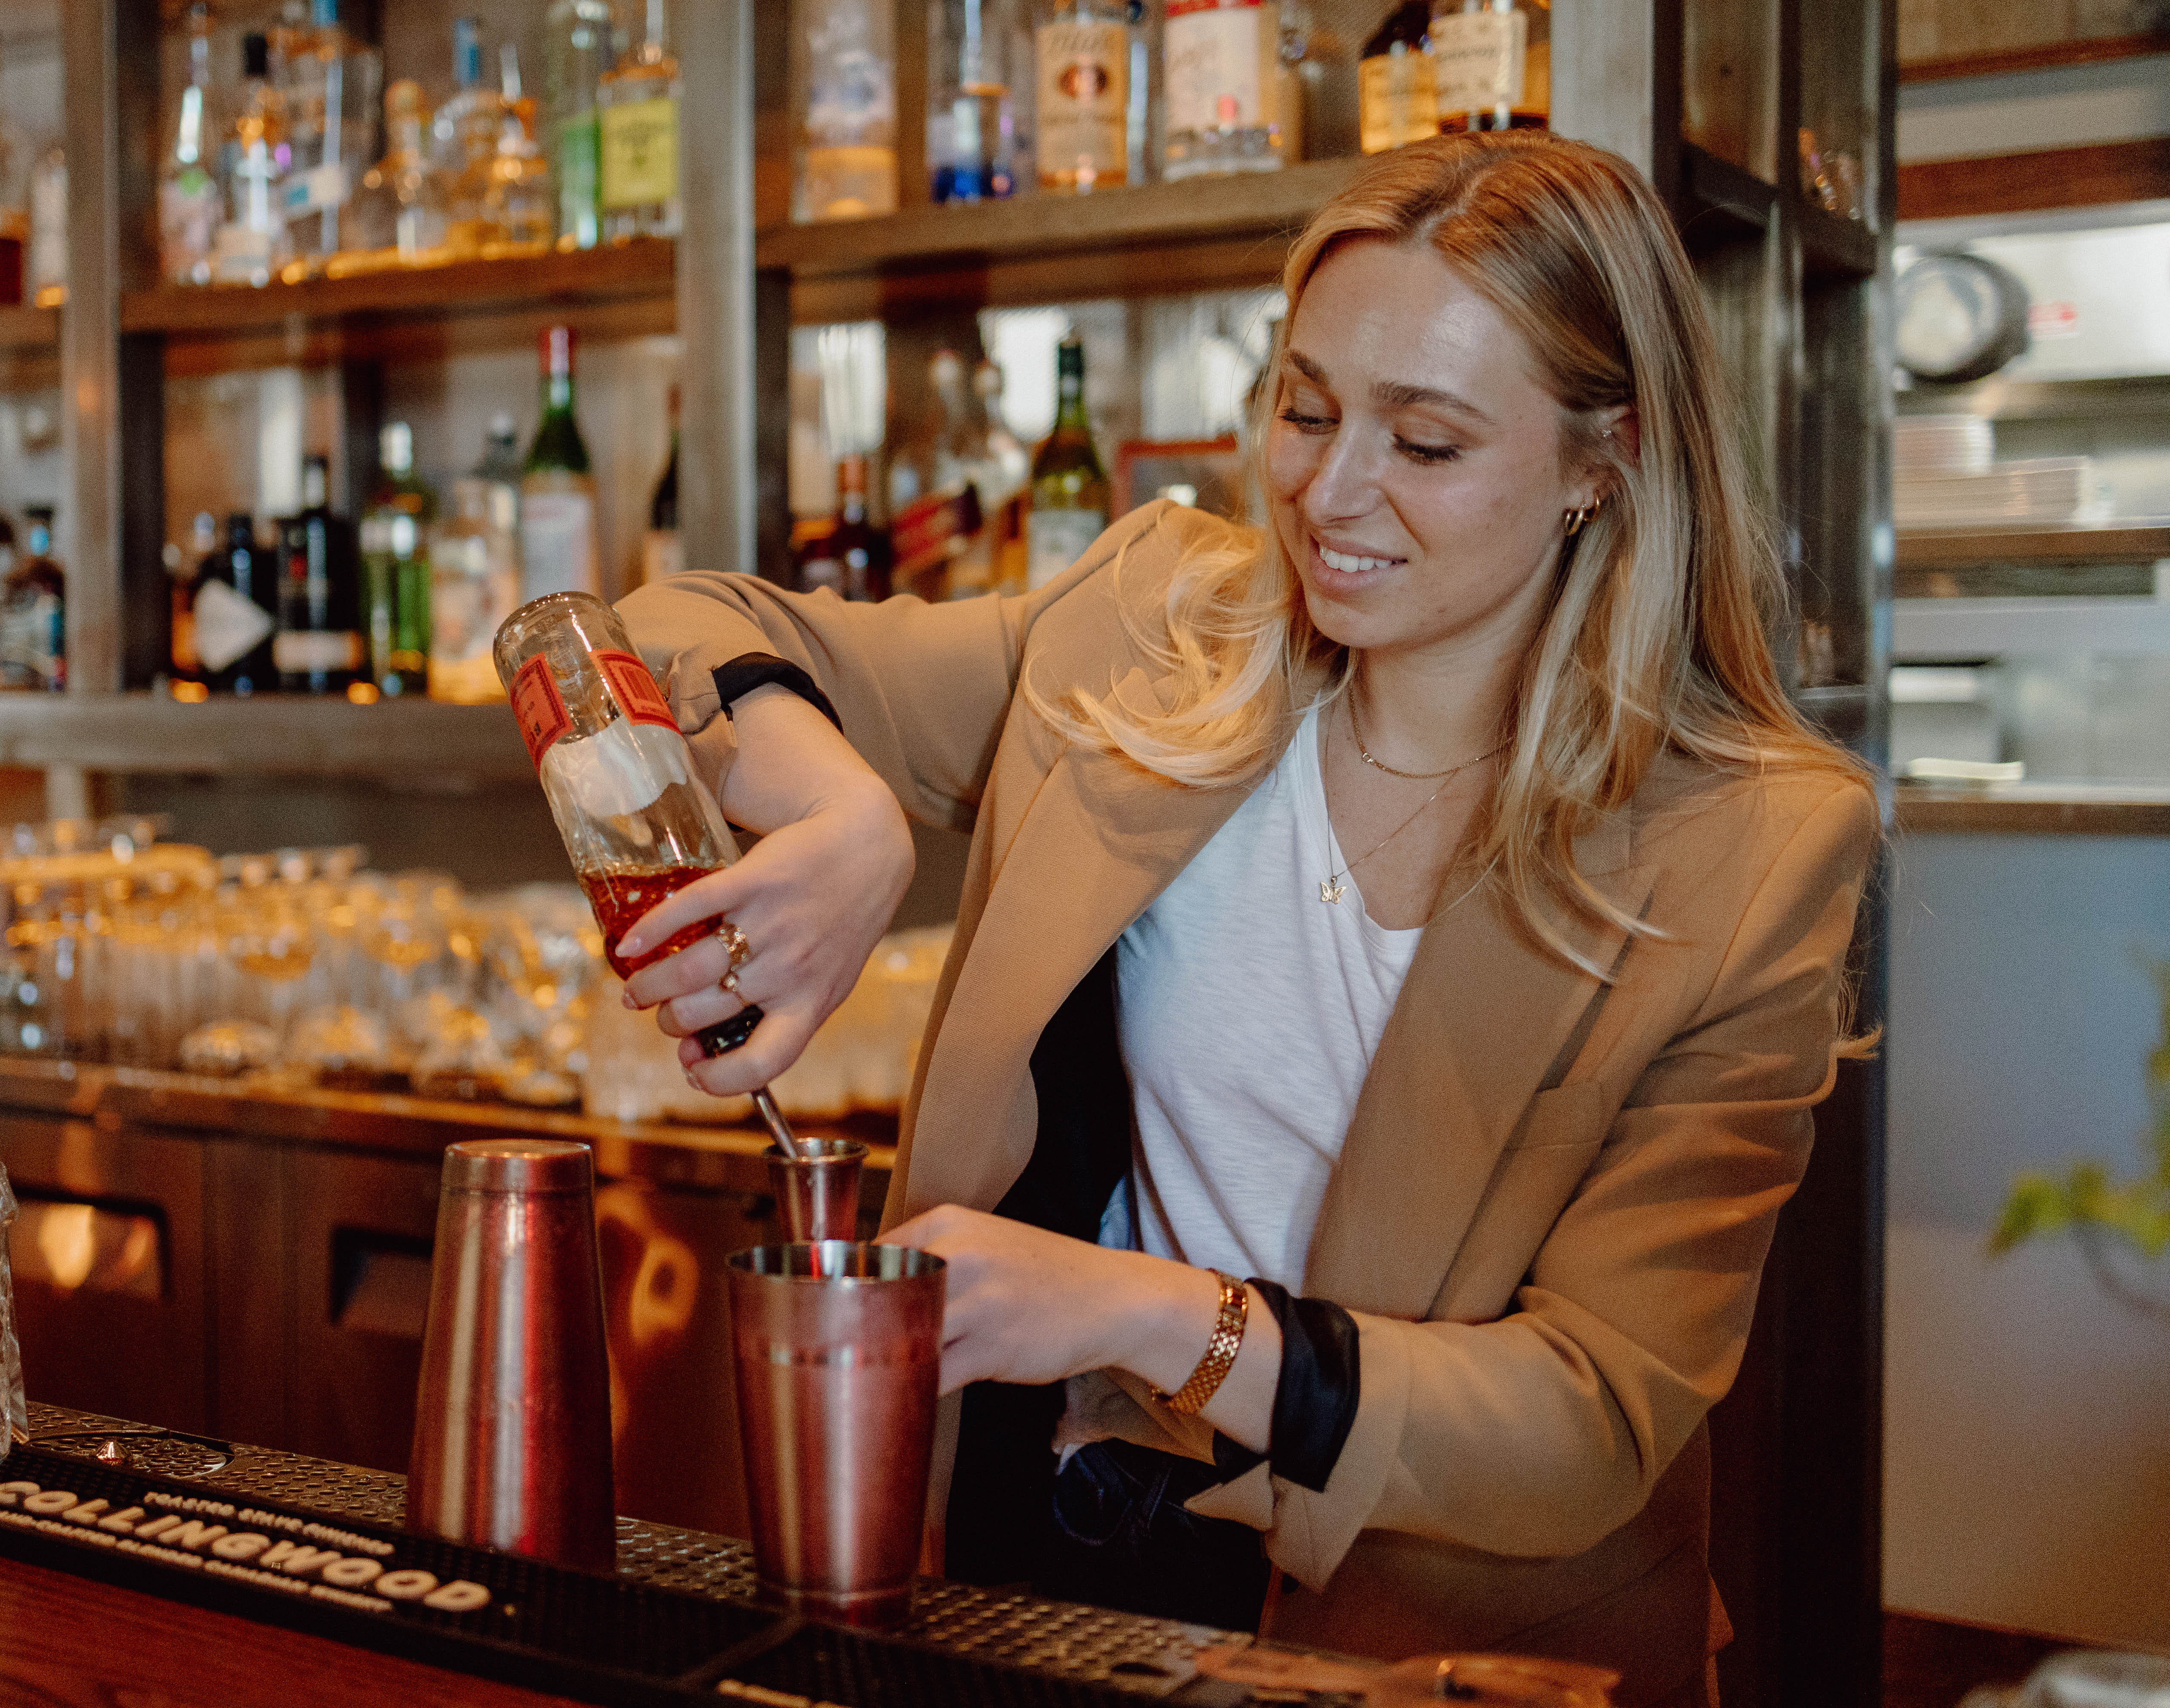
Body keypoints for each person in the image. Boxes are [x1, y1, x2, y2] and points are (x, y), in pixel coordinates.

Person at [609, 131, 1878, 1702]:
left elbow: (1589, 1420)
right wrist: (844, 814)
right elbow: (664, 628)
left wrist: (1150, 1315)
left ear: (1601, 462)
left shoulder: (1749, 846)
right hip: (1052, 1568)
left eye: (1426, 444)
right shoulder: (1157, 634)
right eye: (1306, 409)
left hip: (1437, 1654)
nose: (1328, 494)